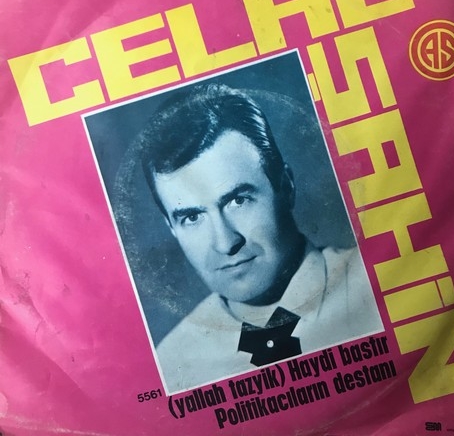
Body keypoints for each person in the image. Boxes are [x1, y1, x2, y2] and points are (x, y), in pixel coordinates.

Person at [140, 84, 382, 393]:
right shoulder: (173, 364)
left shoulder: (377, 283)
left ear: (286, 186)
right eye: (192, 217)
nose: (225, 243)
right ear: (172, 228)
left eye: (238, 200)